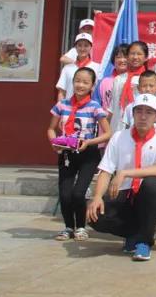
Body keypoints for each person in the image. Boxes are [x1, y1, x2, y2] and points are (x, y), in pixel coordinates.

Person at [87, 94, 156, 261]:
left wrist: (125, 173)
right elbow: (105, 170)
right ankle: (134, 233)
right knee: (93, 213)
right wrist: (97, 197)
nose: (143, 116)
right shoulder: (119, 137)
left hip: (151, 198)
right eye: (139, 111)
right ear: (132, 114)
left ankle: (144, 241)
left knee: (151, 183)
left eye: (149, 112)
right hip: (124, 195)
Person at [47, 67, 111, 241]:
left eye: (85, 82)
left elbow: (107, 133)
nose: (80, 85)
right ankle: (68, 227)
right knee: (65, 193)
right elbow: (51, 128)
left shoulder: (95, 107)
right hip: (67, 154)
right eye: (77, 81)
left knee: (78, 193)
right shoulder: (62, 105)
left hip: (88, 154)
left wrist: (89, 142)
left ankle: (81, 227)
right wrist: (54, 143)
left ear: (92, 86)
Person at [108, 41, 149, 133]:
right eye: (132, 54)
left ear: (146, 57)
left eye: (139, 54)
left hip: (139, 128)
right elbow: (113, 107)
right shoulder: (118, 79)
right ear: (127, 56)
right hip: (118, 128)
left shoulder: (148, 79)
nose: (135, 57)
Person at [55, 33, 100, 101]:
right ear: (75, 47)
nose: (82, 49)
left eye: (86, 46)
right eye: (79, 45)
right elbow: (62, 92)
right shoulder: (67, 68)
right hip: (69, 106)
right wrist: (60, 106)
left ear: (91, 47)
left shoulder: (98, 67)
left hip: (89, 106)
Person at [98, 44, 128, 112]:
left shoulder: (136, 81)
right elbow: (96, 105)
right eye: (118, 57)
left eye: (125, 57)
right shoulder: (104, 82)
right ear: (113, 60)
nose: (122, 60)